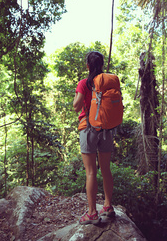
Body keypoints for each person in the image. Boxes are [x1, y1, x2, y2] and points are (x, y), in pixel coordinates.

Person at [73, 51, 115, 225]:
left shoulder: (84, 83)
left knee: (91, 171)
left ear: (88, 65)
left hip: (89, 128)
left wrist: (77, 97)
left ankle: (92, 213)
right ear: (102, 64)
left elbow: (76, 107)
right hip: (107, 129)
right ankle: (108, 206)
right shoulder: (108, 82)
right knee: (105, 169)